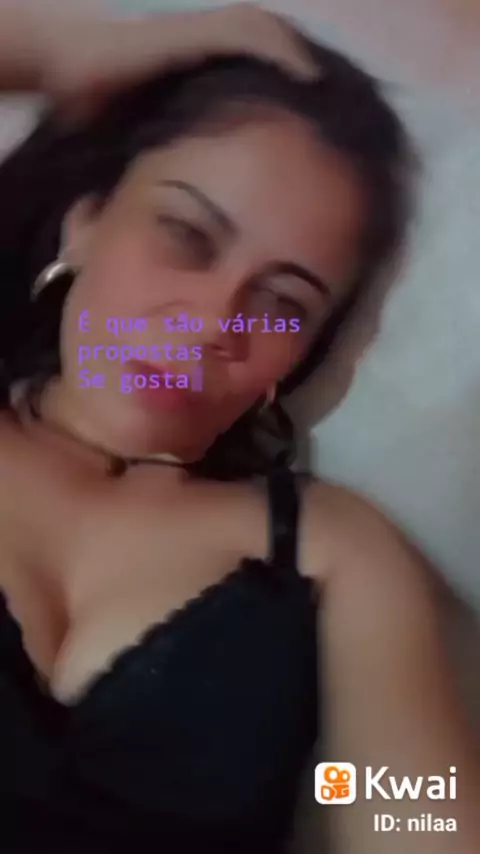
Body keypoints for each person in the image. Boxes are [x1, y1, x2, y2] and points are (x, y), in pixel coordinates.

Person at [0, 4, 478, 854]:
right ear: (85, 221)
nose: (214, 323)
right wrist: (69, 51)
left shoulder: (332, 550)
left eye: (282, 302)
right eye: (187, 235)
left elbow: (414, 814)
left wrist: (374, 798)